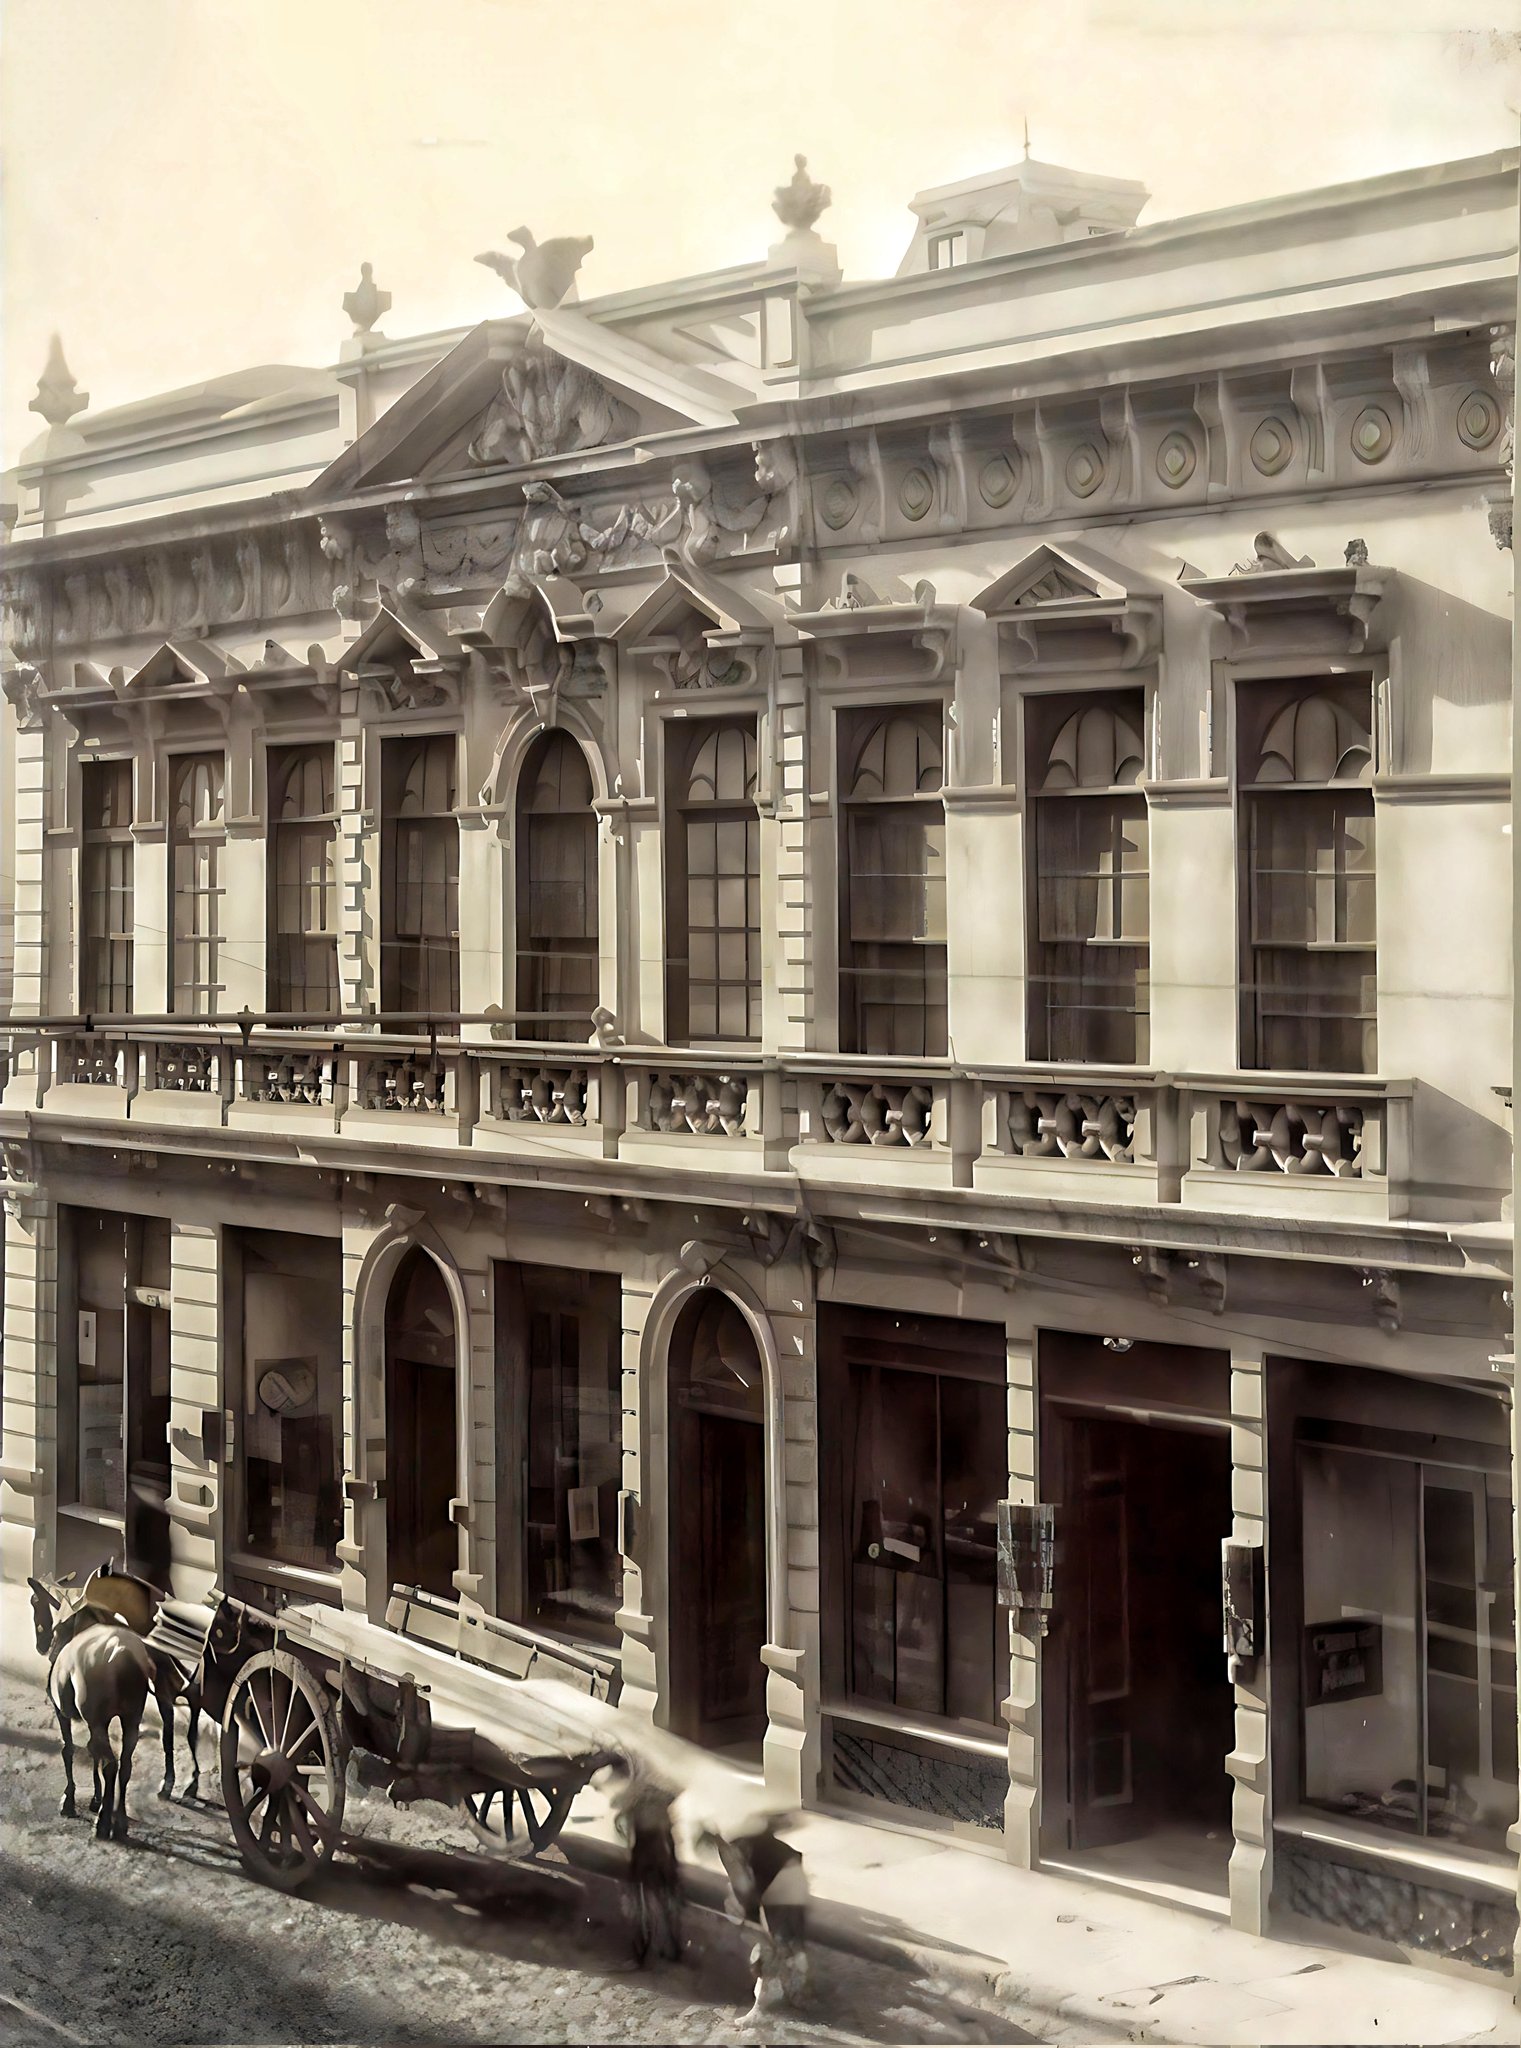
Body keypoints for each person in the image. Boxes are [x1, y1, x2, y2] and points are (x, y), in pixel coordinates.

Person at [605, 1761, 682, 1966]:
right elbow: (666, 1840)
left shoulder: (641, 1809)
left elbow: (634, 1837)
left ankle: (653, 1950)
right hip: (652, 1861)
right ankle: (662, 1949)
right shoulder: (653, 1810)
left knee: (650, 1907)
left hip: (649, 1862)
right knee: (656, 1906)